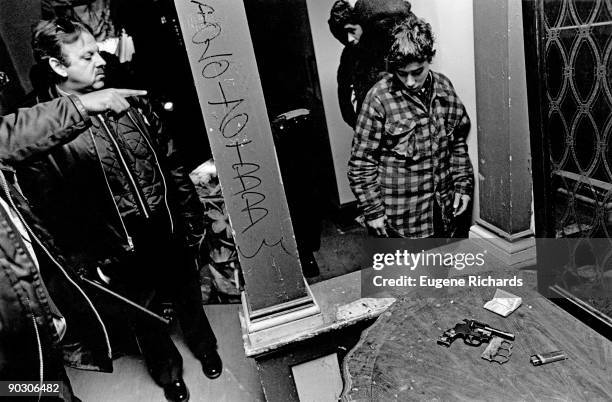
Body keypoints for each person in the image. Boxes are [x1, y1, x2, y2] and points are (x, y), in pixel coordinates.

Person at [19, 18, 221, 402]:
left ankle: (205, 347)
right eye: (87, 56)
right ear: (58, 66)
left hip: (165, 225)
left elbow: (170, 158)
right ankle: (168, 374)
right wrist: (84, 259)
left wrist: (190, 217)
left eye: (98, 51)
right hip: (115, 246)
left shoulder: (127, 94)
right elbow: (49, 207)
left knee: (187, 294)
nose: (101, 61)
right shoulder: (40, 124)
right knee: (145, 318)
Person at [0, 89, 145, 401]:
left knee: (53, 387)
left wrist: (80, 104)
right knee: (27, 391)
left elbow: (10, 133)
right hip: (12, 344)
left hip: (34, 318)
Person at [348, 15, 474, 238]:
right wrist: (373, 211)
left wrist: (463, 185)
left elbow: (457, 143)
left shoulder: (444, 88)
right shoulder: (378, 98)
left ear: (429, 59)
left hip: (442, 212)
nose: (409, 81)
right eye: (401, 73)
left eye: (417, 72)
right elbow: (361, 163)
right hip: (399, 218)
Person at [328, 0, 412, 129]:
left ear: (362, 23)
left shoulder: (389, 40)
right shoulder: (348, 55)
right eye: (344, 35)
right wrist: (359, 125)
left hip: (403, 120)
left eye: (352, 30)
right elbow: (344, 95)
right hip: (372, 128)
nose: (350, 38)